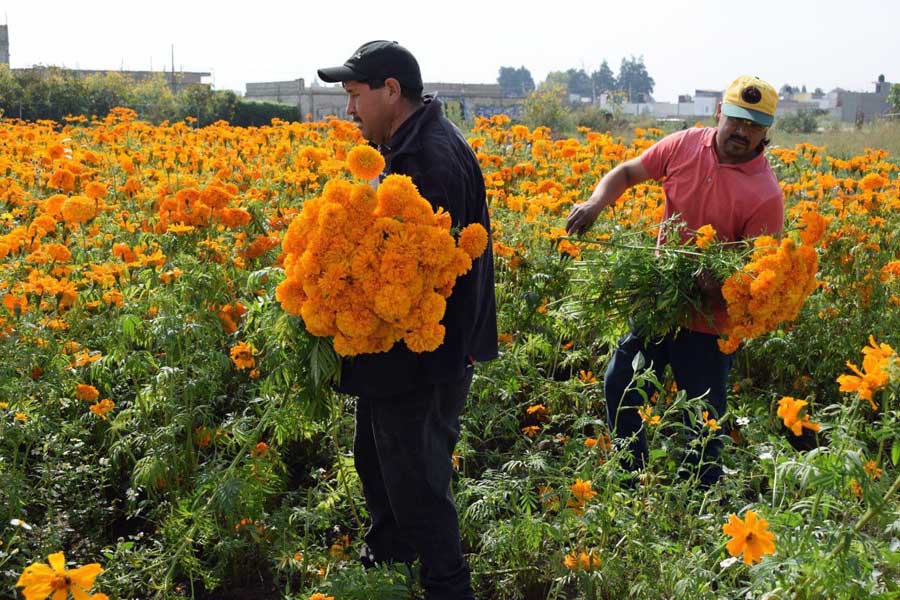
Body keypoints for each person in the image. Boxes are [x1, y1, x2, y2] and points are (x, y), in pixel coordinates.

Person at [317, 40, 497, 599]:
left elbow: (423, 281)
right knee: (379, 462)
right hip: (398, 353)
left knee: (416, 482)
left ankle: (447, 587)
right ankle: (390, 563)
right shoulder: (408, 147)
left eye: (353, 96)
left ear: (391, 91)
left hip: (422, 357)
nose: (349, 111)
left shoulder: (429, 161)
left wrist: (339, 291)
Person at [565, 75, 783, 487]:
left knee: (703, 419)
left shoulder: (765, 195)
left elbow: (759, 279)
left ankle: (698, 499)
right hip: (661, 299)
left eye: (754, 125)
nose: (741, 131)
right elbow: (628, 172)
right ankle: (630, 478)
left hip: (709, 324)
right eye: (736, 119)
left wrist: (718, 284)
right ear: (720, 112)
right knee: (622, 382)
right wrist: (595, 203)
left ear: (766, 130)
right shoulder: (684, 145)